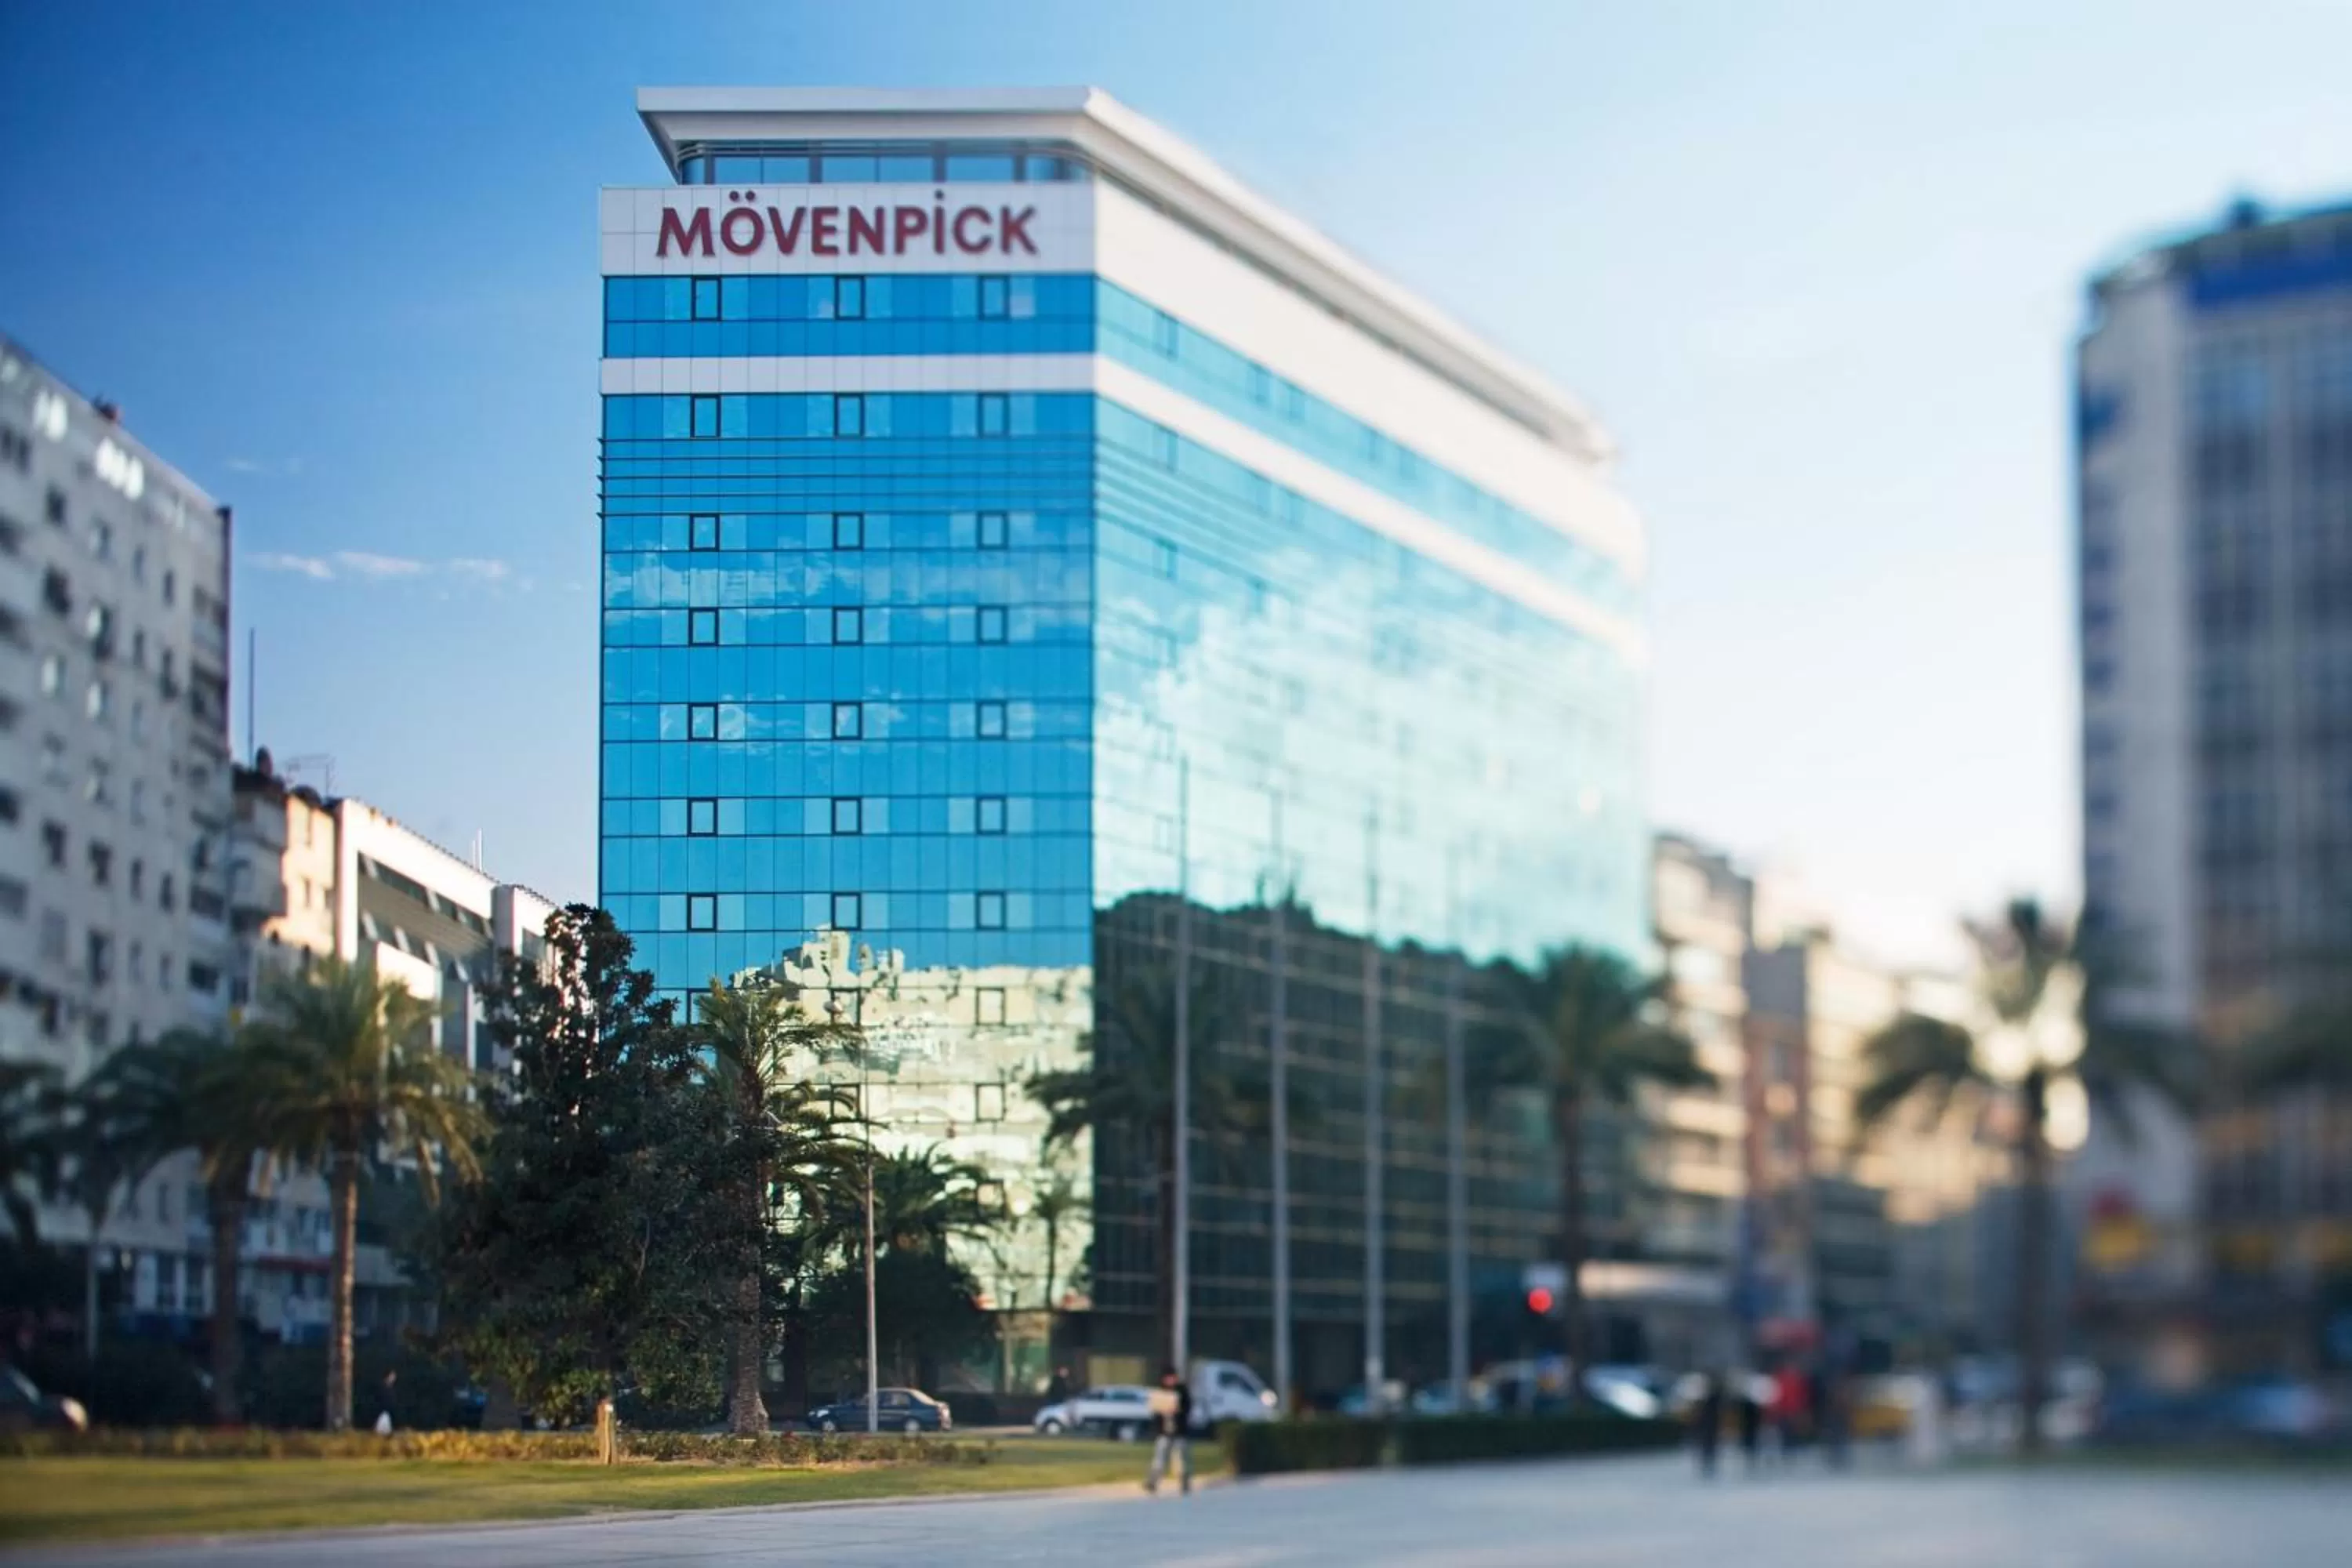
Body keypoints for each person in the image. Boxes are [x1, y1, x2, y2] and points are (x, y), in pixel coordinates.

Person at [1144, 1365, 1193, 1495]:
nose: (1170, 1380)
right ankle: (1152, 1482)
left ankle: (1184, 1482)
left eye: (1172, 1378)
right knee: (1159, 1458)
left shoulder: (1182, 1391)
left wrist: (1178, 1410)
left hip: (1180, 1430)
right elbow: (1155, 1411)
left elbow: (1188, 1409)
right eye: (1168, 1378)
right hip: (1164, 1431)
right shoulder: (1160, 1392)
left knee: (1181, 1458)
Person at [1690, 1372, 1726, 1478]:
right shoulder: (1710, 1399)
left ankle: (1709, 1465)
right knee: (1708, 1447)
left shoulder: (1711, 1399)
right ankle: (1708, 1465)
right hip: (1709, 1427)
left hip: (1710, 1427)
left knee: (1709, 1447)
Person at [1736, 1372, 1764, 1472]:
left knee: (1751, 1444)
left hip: (1750, 1426)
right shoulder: (1747, 1404)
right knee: (1750, 1444)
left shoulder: (1749, 1404)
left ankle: (1752, 1462)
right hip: (1749, 1427)